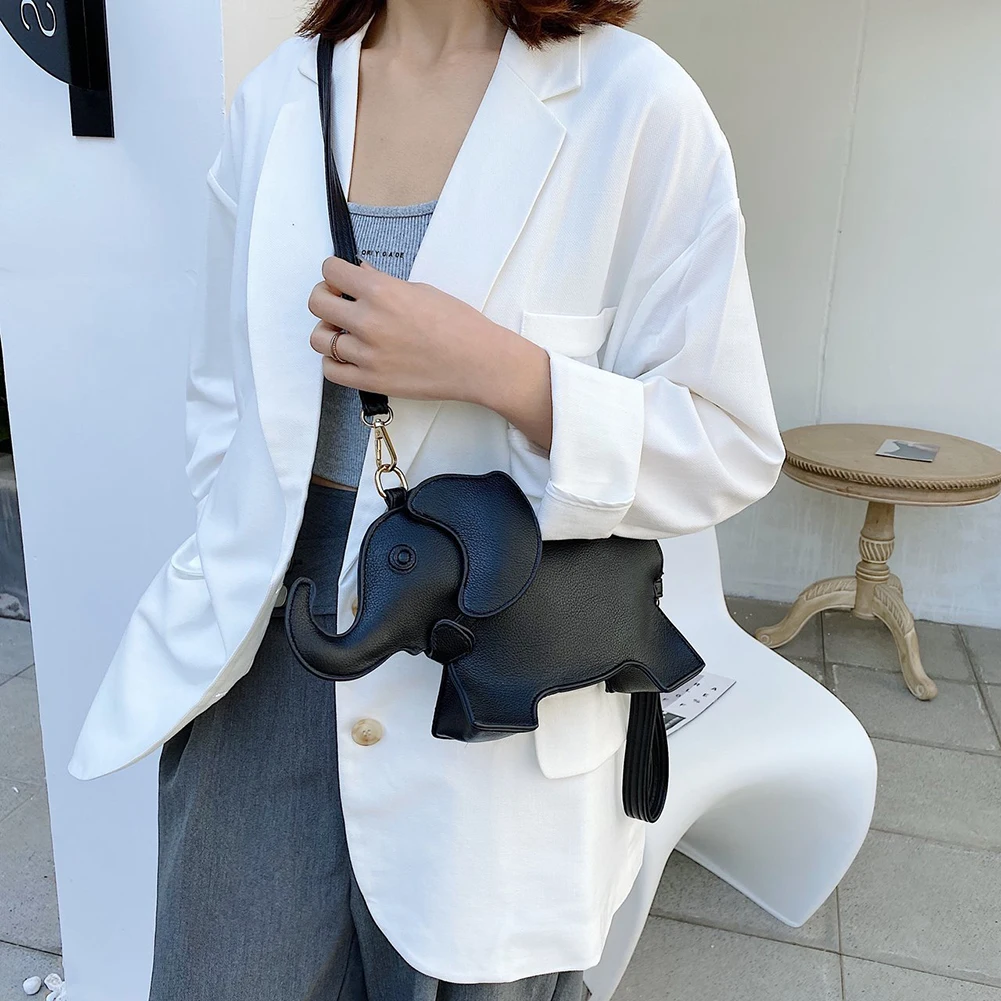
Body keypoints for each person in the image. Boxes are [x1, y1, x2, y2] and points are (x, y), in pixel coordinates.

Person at [68, 0, 786, 998]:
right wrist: (243, 540)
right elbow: (222, 395)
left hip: (488, 661)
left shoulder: (636, 104)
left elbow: (725, 443)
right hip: (271, 645)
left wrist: (501, 371)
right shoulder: (282, 94)